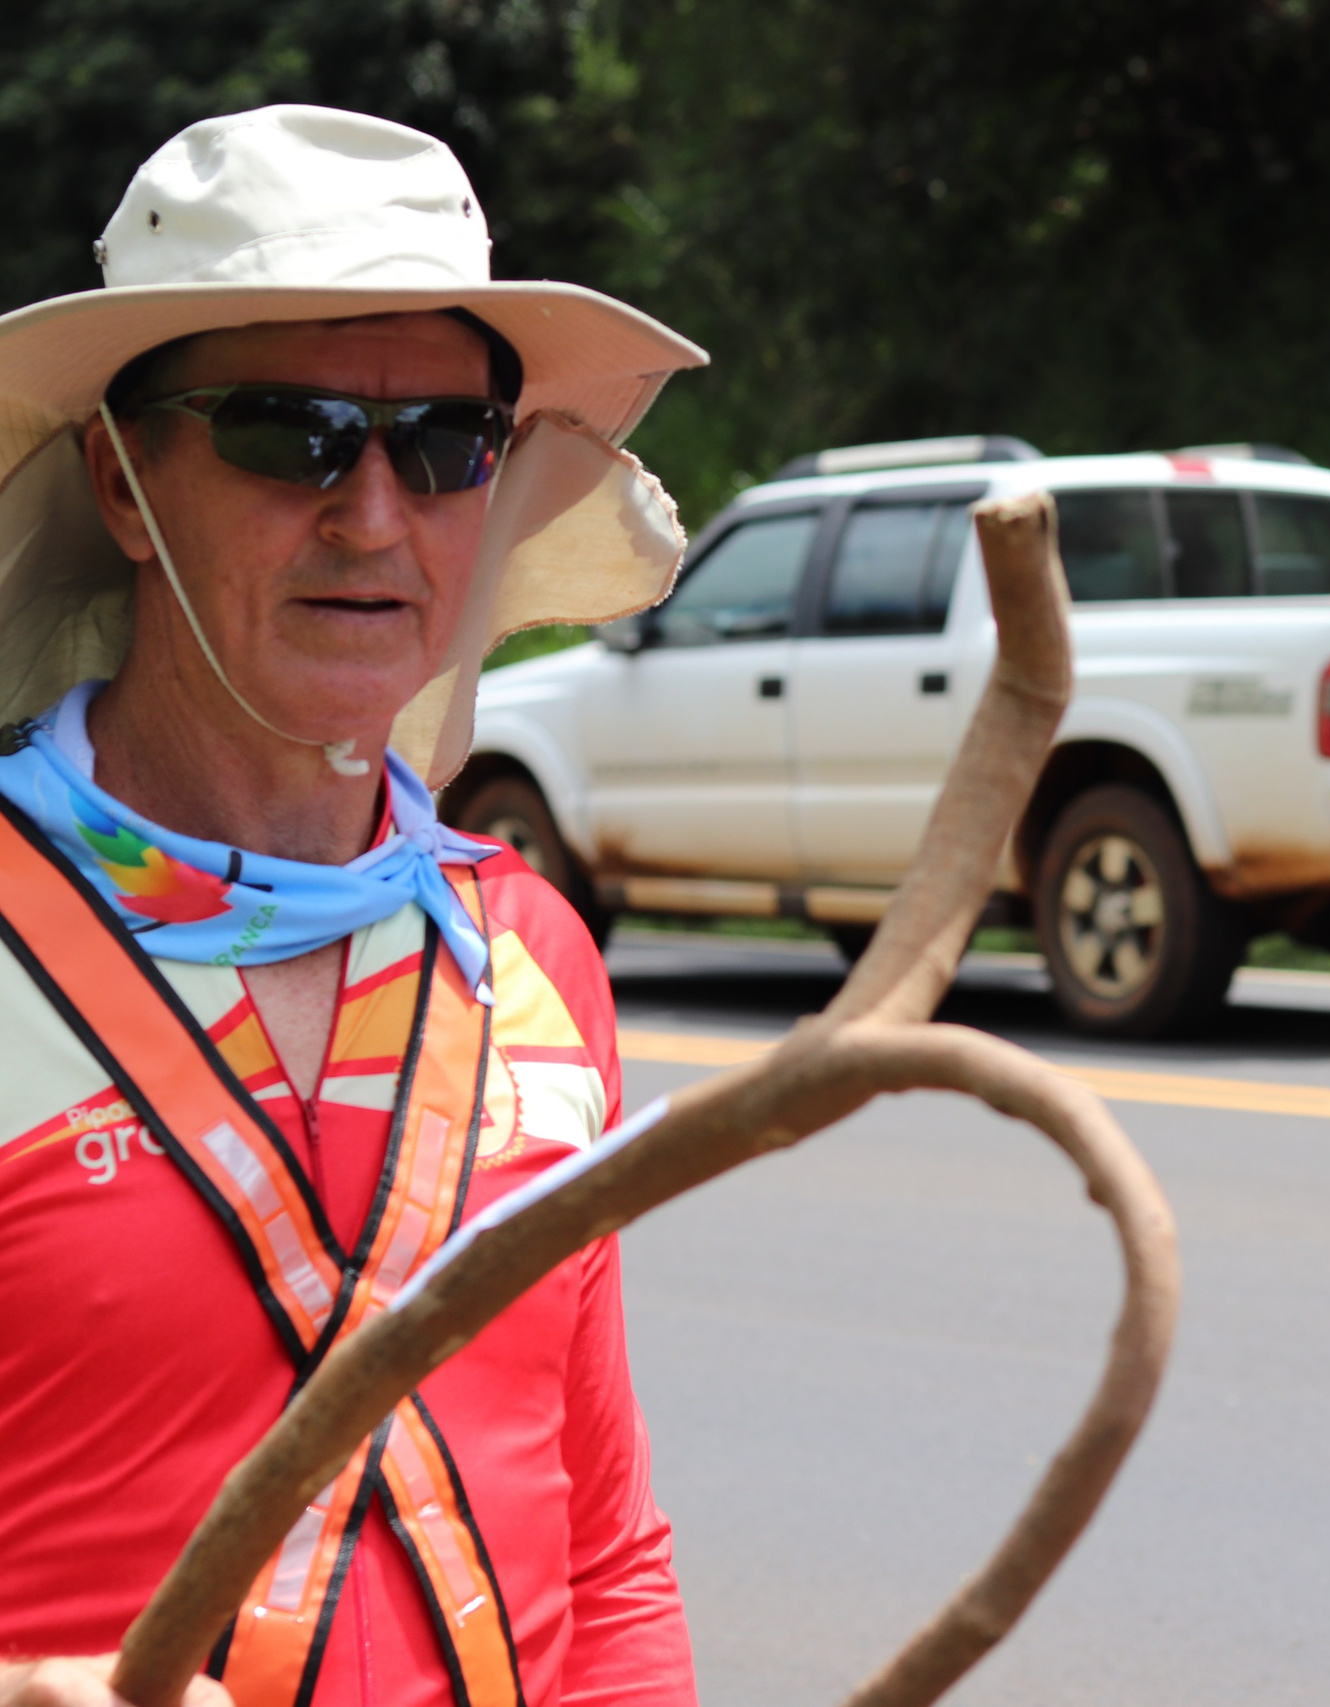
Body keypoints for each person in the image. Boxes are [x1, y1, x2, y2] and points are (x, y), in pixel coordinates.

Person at [0, 106, 707, 1706]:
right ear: (123, 479)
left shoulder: (527, 953)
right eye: (287, 432)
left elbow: (602, 1559)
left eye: (448, 446)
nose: (376, 515)